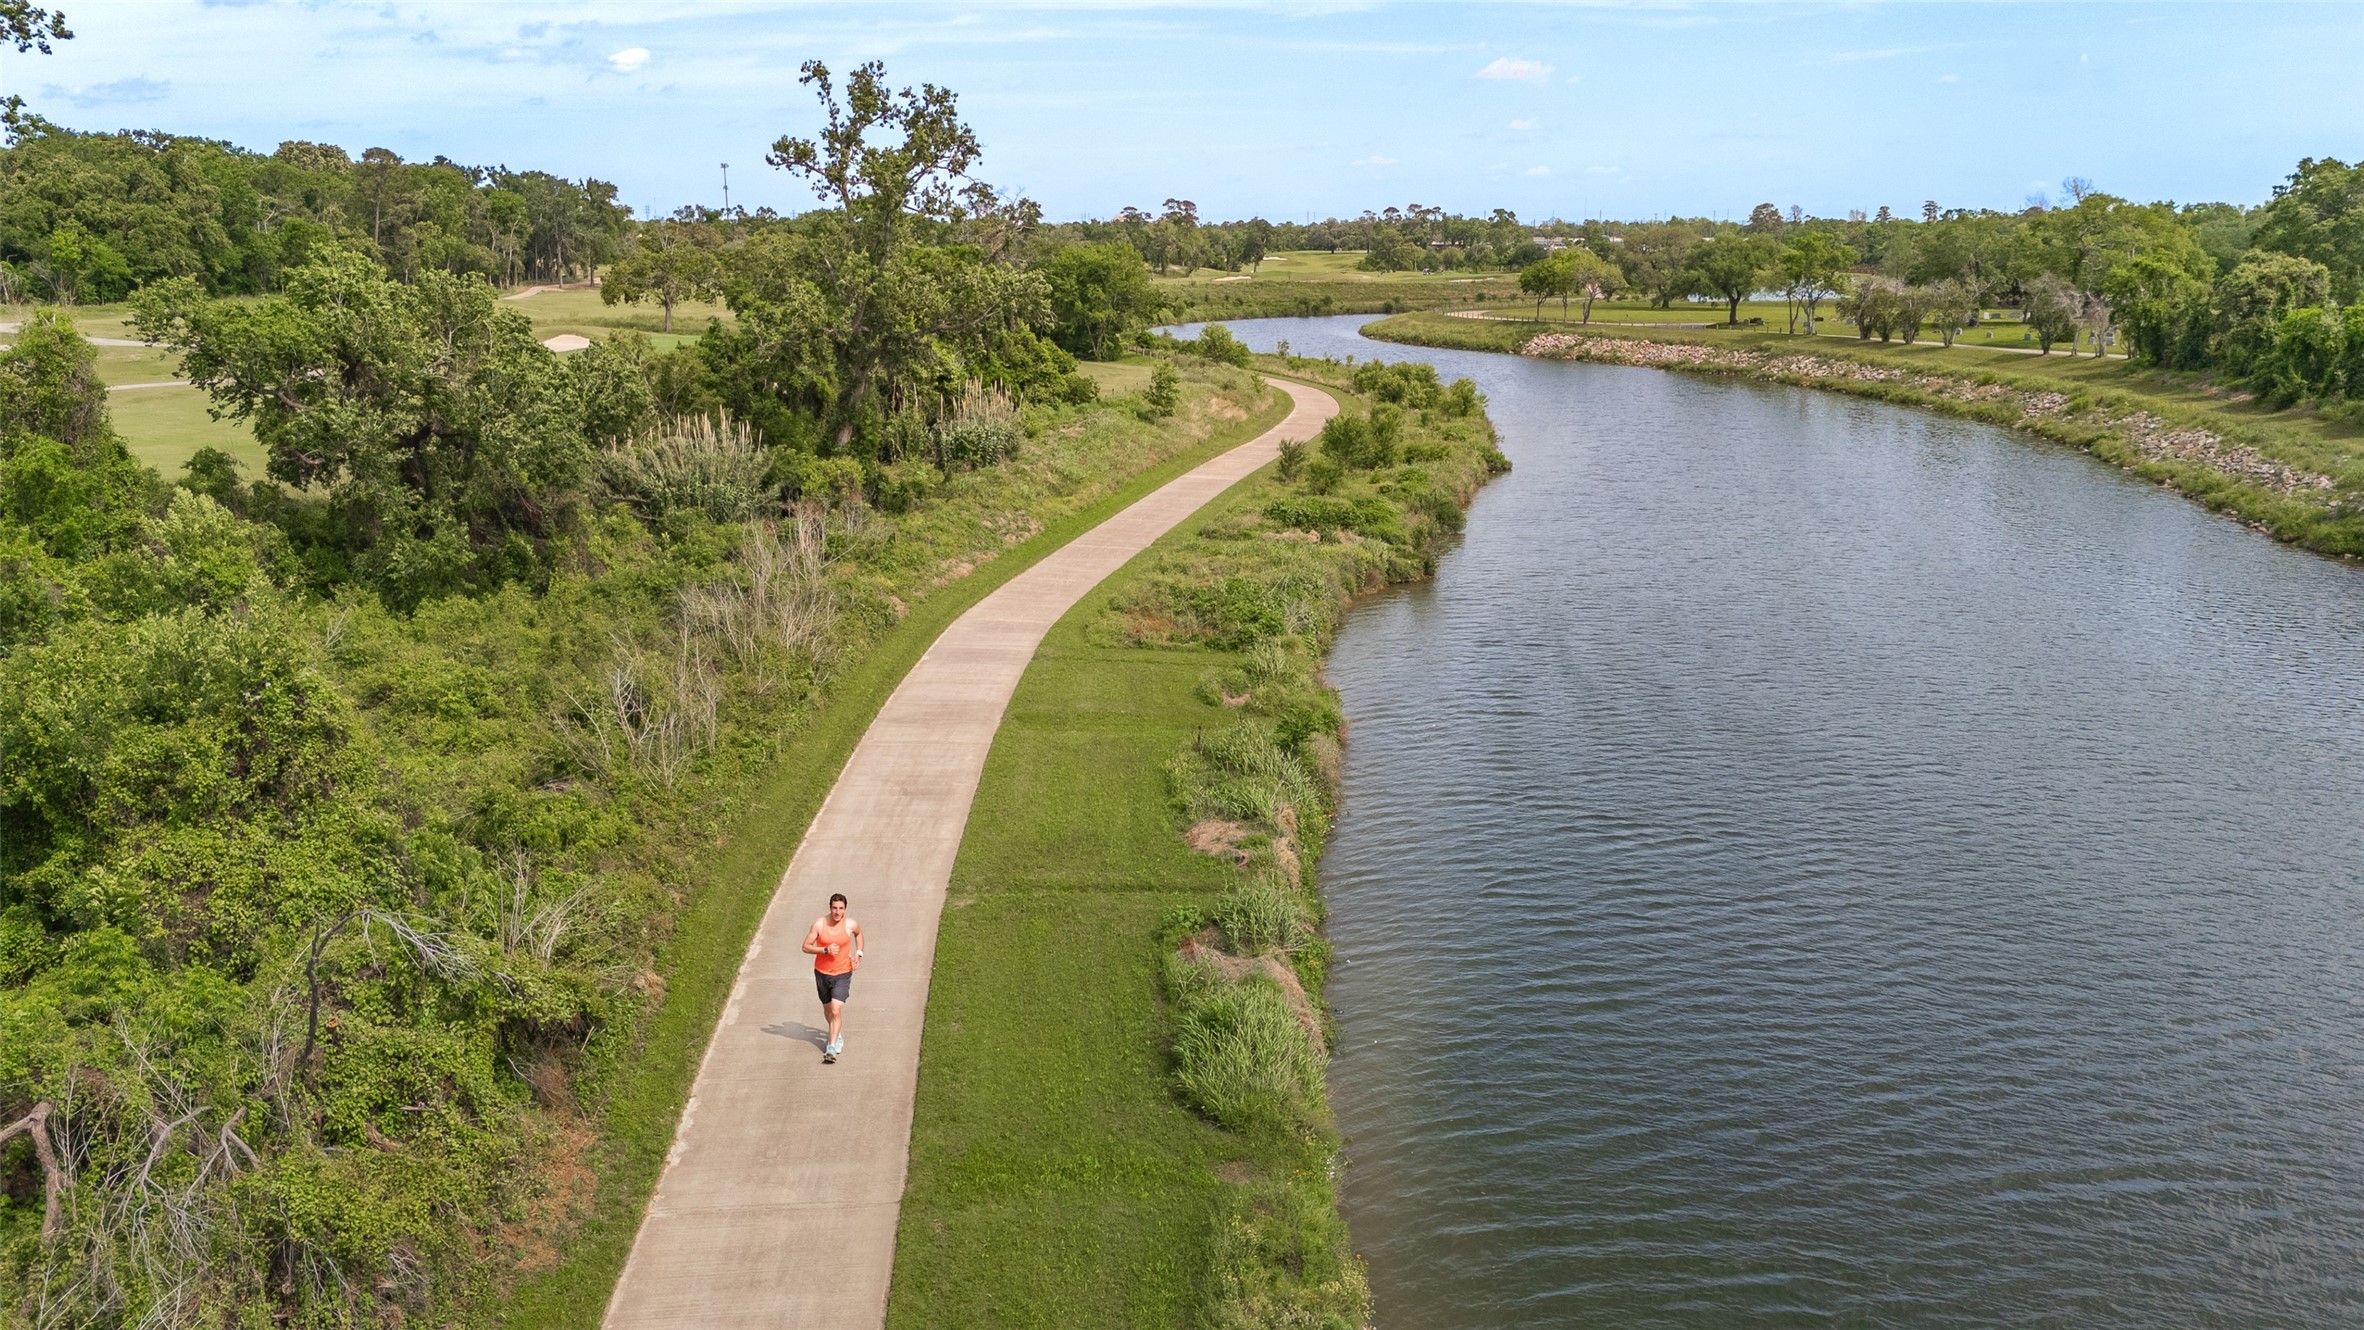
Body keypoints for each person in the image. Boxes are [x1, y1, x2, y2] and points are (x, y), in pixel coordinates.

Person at [801, 893, 864, 1062]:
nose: (837, 912)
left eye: (841, 909)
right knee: (828, 1010)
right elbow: (806, 947)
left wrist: (858, 954)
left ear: (845, 909)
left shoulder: (850, 924)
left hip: (842, 973)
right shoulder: (820, 925)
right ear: (830, 908)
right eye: (835, 908)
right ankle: (837, 1034)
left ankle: (831, 1047)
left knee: (836, 1009)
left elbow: (859, 935)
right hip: (822, 973)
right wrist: (825, 950)